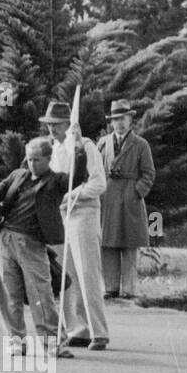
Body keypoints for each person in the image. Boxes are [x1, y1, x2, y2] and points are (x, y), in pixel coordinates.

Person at [0, 137, 73, 358]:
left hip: (32, 242)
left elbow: (77, 178)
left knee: (40, 293)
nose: (31, 164)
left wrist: (79, 149)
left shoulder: (56, 181)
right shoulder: (18, 175)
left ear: (48, 159)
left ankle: (53, 343)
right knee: (9, 294)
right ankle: (16, 341)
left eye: (36, 160)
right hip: (6, 238)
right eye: (29, 159)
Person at [41, 100, 110, 351]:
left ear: (68, 124)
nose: (51, 130)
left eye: (56, 125)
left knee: (87, 272)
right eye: (48, 125)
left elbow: (99, 183)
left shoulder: (85, 146)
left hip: (84, 212)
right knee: (65, 275)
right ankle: (77, 329)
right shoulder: (51, 150)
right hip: (61, 214)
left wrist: (73, 194)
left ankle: (99, 332)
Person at [98, 99, 156, 300]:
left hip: (130, 198)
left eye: (123, 119)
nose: (119, 123)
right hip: (107, 197)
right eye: (115, 119)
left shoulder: (141, 144)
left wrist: (136, 192)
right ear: (111, 122)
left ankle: (129, 290)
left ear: (130, 119)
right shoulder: (103, 143)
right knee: (108, 244)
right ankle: (110, 287)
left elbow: (149, 173)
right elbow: (95, 170)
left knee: (129, 245)